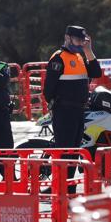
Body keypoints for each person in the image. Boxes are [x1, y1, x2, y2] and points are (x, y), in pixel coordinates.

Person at [43, 25, 102, 192]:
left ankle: (68, 187)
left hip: (78, 110)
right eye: (78, 40)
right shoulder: (58, 58)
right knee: (64, 150)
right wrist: (56, 105)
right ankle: (60, 187)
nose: (80, 43)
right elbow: (48, 89)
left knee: (75, 151)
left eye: (83, 40)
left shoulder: (79, 56)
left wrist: (89, 50)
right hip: (64, 110)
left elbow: (96, 72)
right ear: (67, 38)